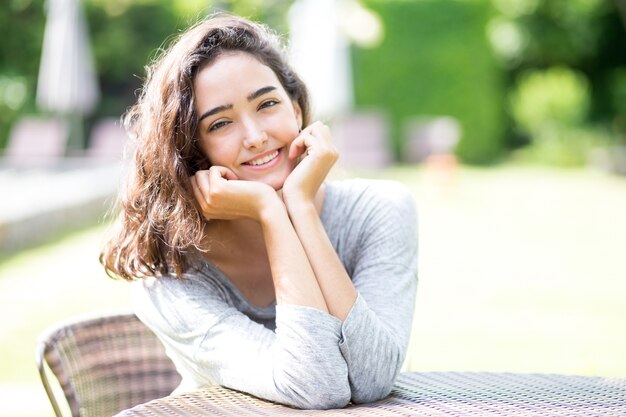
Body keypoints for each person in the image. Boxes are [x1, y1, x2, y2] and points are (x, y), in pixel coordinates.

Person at [100, 14, 418, 410]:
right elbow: (316, 386)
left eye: (267, 104)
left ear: (297, 110)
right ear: (193, 149)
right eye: (220, 124)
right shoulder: (170, 280)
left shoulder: (379, 212)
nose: (255, 137)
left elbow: (374, 378)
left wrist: (298, 206)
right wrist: (272, 212)